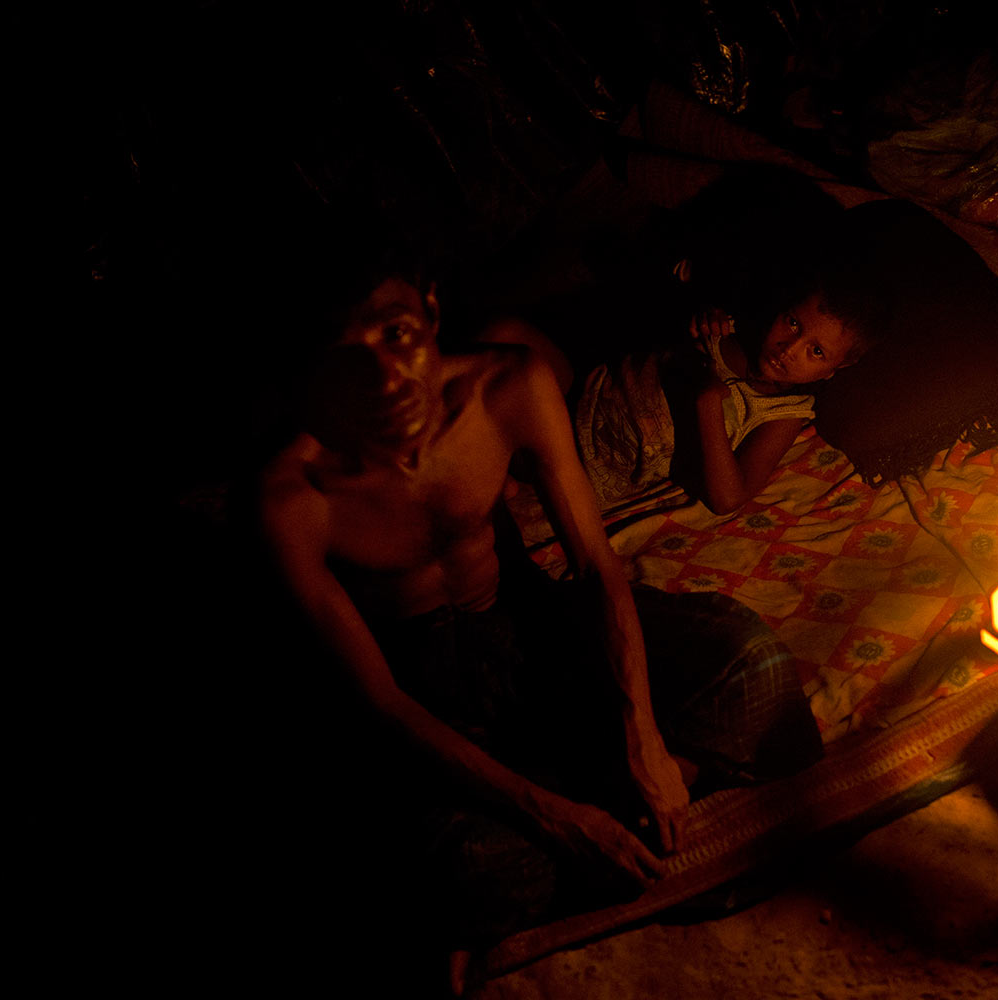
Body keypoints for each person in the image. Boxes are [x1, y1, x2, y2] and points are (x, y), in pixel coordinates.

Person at [258, 232, 820, 992]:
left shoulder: (507, 386)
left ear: (428, 311)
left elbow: (595, 568)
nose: (387, 378)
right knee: (458, 872)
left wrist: (644, 737)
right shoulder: (291, 497)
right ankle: (598, 824)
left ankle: (621, 805)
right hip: (423, 689)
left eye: (396, 336)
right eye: (347, 356)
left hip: (529, 625)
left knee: (752, 662)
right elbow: (380, 703)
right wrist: (559, 817)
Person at [569, 249, 882, 516]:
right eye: (793, 323)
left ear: (836, 368)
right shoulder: (726, 328)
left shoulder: (782, 412)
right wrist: (694, 315)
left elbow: (728, 498)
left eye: (816, 351)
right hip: (574, 391)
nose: (788, 349)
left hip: (578, 471)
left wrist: (707, 402)